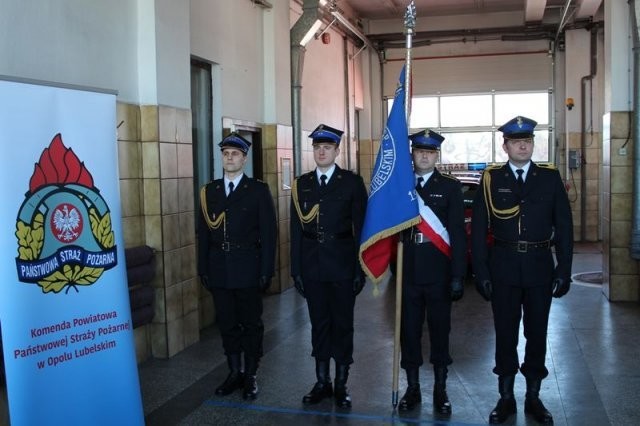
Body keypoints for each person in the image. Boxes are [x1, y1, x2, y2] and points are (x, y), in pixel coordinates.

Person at [471, 116, 573, 424]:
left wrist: (564, 269)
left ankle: (533, 397)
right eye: (516, 142)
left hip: (540, 267)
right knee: (505, 333)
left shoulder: (549, 178)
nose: (522, 146)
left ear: (532, 144)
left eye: (527, 141)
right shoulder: (491, 179)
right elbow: (479, 229)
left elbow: (564, 227)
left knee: (537, 333)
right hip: (503, 267)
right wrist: (481, 272)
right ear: (505, 146)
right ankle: (505, 398)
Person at [290, 124, 368, 408]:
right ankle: (322, 381)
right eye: (317, 148)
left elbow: (361, 228)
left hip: (343, 265)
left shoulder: (351, 183)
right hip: (312, 266)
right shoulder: (302, 184)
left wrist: (359, 269)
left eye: (327, 148)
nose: (321, 152)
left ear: (337, 151)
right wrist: (296, 270)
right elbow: (296, 231)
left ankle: (341, 383)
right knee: (319, 324)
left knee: (343, 324)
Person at [197, 132, 277, 400]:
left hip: (248, 268)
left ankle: (251, 374)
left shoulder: (257, 190)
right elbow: (203, 234)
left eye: (235, 154)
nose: (229, 158)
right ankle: (234, 371)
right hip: (219, 268)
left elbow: (269, 234)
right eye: (225, 153)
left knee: (251, 324)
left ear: (244, 159)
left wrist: (266, 270)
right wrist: (203, 268)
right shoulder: (210, 192)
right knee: (227, 323)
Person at [397, 129, 466, 414]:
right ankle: (412, 388)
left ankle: (440, 389)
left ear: (437, 156)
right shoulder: (400, 185)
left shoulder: (449, 187)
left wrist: (458, 275)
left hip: (439, 271)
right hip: (408, 270)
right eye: (419, 151)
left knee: (440, 331)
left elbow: (458, 233)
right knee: (409, 332)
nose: (424, 156)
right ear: (412, 154)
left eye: (429, 152)